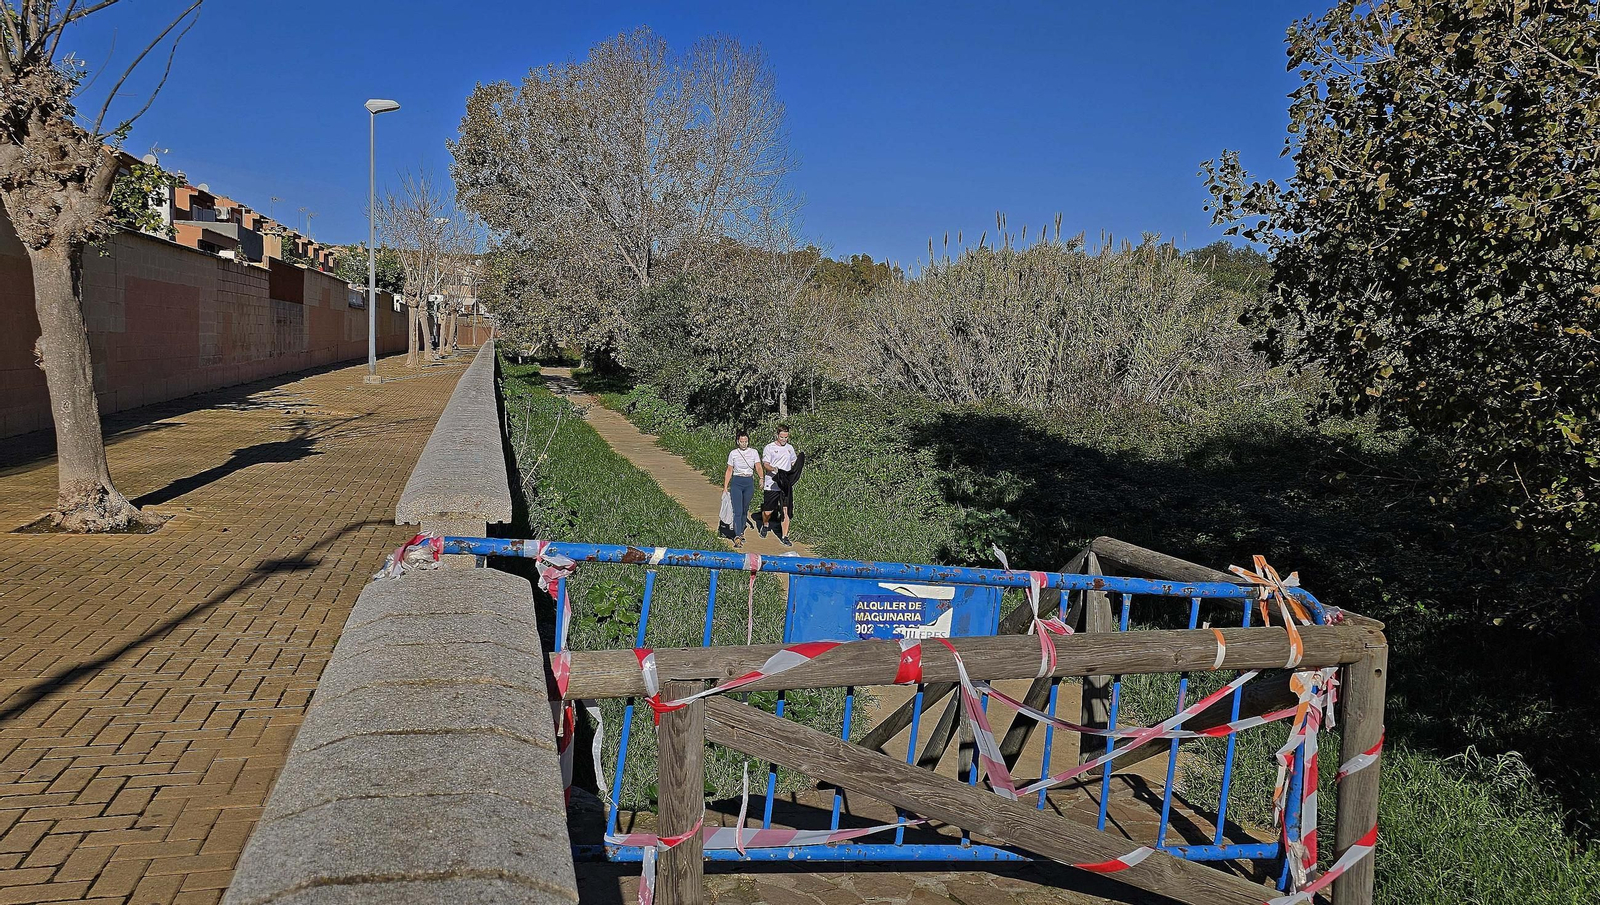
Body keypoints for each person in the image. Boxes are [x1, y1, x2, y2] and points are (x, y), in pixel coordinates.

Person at [722, 429, 762, 548]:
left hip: (748, 481)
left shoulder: (754, 452)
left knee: (745, 509)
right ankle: (737, 536)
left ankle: (741, 532)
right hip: (737, 482)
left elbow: (758, 466)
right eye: (742, 441)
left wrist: (761, 478)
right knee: (737, 510)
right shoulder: (733, 453)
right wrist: (725, 487)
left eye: (746, 441)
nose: (744, 444)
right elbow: (729, 470)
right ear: (737, 441)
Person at [759, 424, 797, 546]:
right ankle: (765, 524)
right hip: (772, 483)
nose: (784, 440)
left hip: (785, 485)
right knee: (768, 512)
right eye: (781, 437)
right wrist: (774, 469)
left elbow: (793, 462)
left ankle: (785, 536)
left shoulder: (790, 448)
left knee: (786, 510)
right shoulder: (769, 448)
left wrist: (795, 470)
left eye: (786, 437)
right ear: (777, 435)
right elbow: (765, 464)